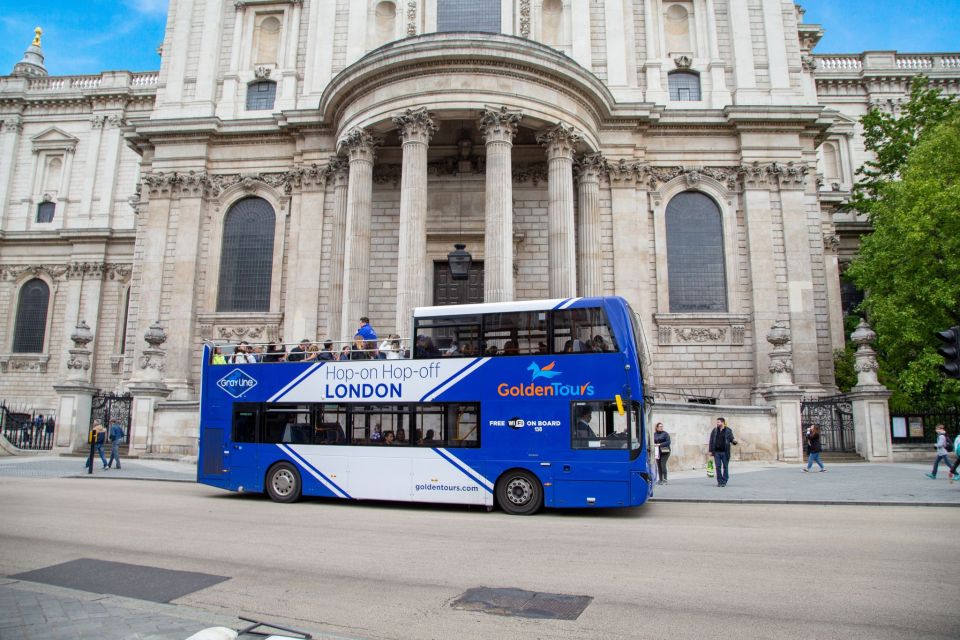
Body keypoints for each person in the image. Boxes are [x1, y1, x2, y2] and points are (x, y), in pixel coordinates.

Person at [708, 417, 737, 487]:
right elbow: (711, 441)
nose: (717, 423)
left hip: (725, 452)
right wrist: (710, 450)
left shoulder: (728, 431)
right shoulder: (714, 430)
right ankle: (720, 481)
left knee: (725, 467)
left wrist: (734, 441)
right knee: (718, 467)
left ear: (722, 422)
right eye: (717, 422)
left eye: (718, 422)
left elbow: (731, 439)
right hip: (717, 452)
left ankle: (724, 481)